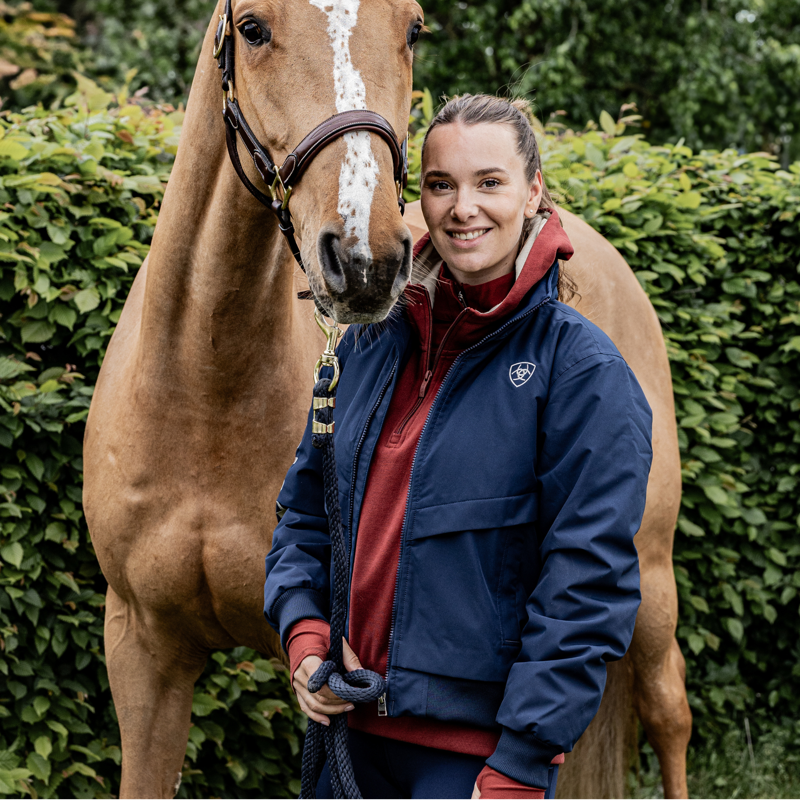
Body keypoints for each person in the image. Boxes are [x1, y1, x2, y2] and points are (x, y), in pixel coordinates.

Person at [264, 94, 652, 800]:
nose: (462, 207)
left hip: (474, 765)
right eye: (440, 185)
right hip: (348, 737)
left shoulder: (584, 373)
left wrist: (520, 766)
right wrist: (304, 637)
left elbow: (587, 588)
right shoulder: (368, 345)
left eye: (489, 183)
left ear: (533, 192)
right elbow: (305, 518)